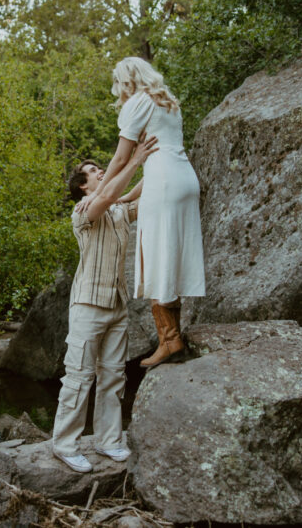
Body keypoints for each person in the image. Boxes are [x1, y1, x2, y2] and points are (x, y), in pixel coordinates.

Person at [81, 56, 205, 368]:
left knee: (153, 258)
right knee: (171, 256)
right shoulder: (168, 101)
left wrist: (100, 191)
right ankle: (172, 335)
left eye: (119, 82)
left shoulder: (137, 102)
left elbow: (122, 158)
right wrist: (123, 197)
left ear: (126, 81)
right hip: (184, 179)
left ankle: (169, 340)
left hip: (162, 183)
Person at [52, 133, 158, 474]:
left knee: (113, 377)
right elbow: (111, 192)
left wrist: (158, 159)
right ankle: (64, 445)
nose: (100, 171)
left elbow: (143, 195)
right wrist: (136, 158)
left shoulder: (117, 211)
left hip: (117, 305)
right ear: (83, 187)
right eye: (94, 171)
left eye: (101, 168)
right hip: (87, 305)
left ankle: (108, 440)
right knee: (79, 377)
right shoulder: (83, 212)